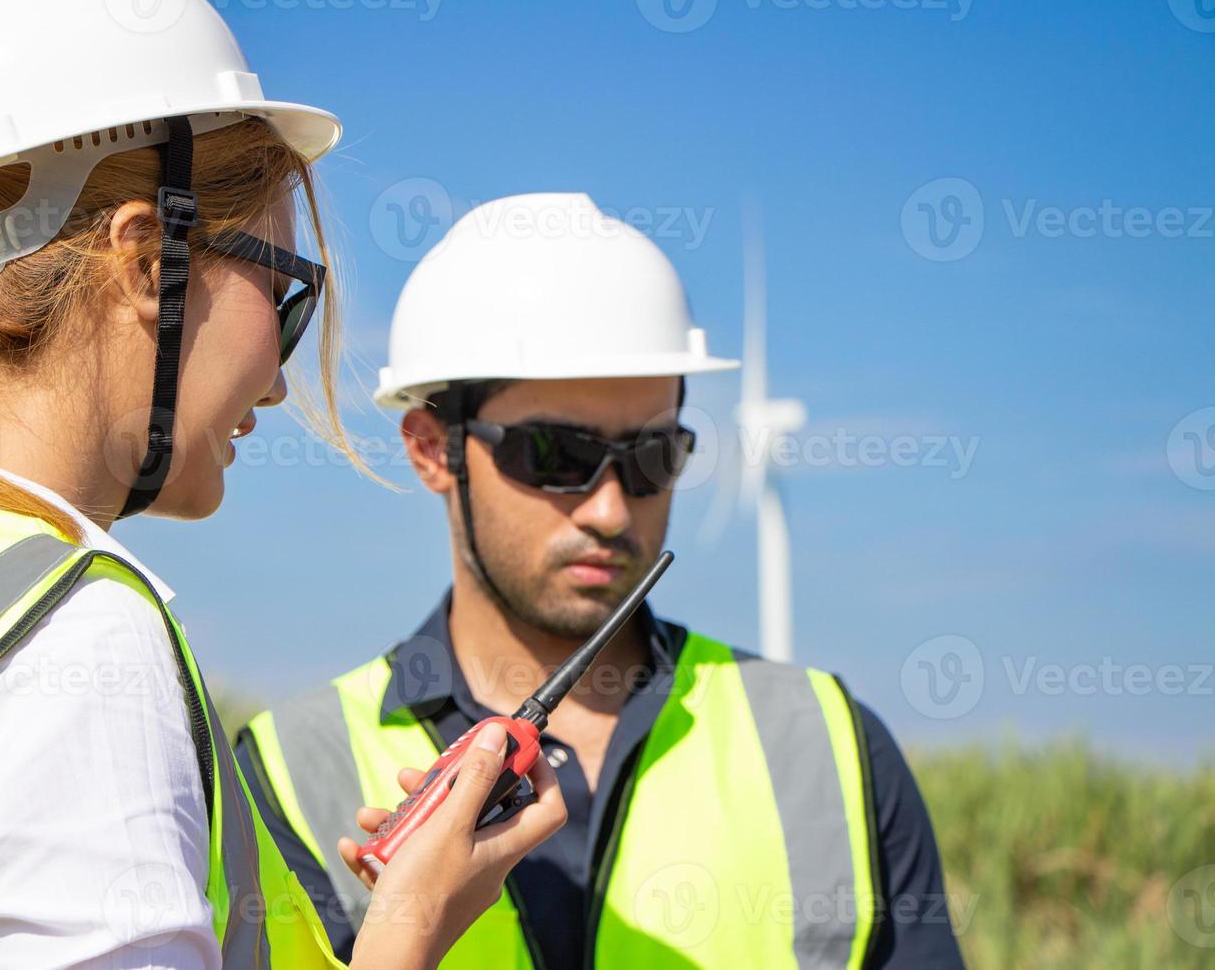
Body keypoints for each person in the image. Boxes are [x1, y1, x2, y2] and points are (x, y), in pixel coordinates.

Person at [0, 0, 563, 968]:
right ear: (145, 261)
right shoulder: (67, 634)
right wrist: (409, 929)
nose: (280, 371)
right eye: (284, 289)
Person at [237, 193, 967, 968]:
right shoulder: (286, 774)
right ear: (429, 450)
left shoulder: (830, 745)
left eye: (654, 456)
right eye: (555, 455)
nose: (613, 509)